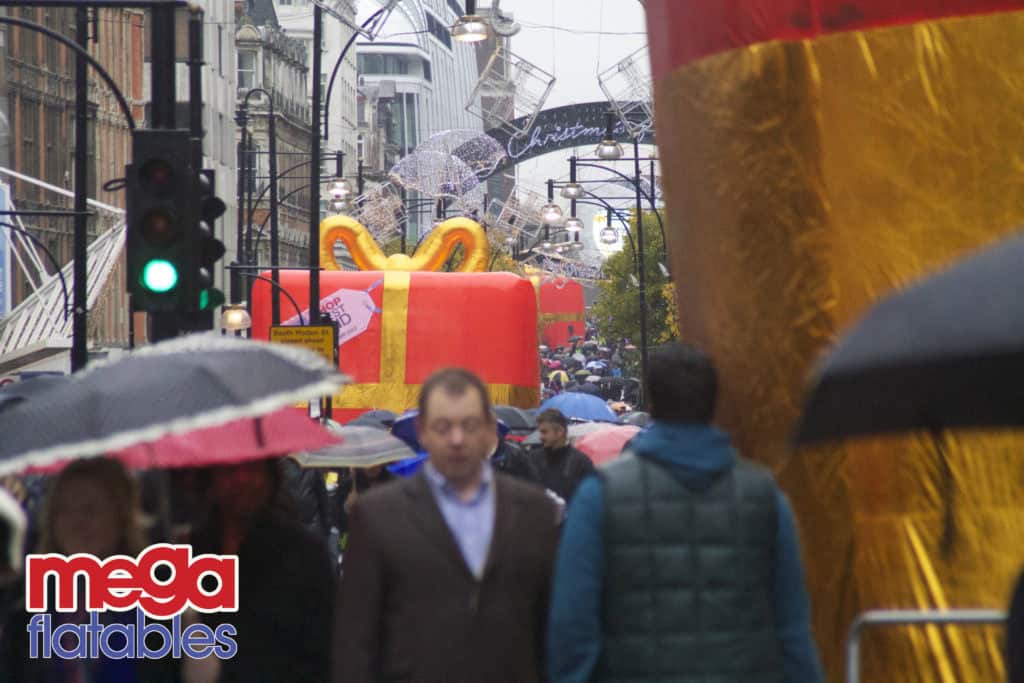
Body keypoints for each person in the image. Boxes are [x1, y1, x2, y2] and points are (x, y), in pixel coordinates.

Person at [548, 343, 824, 683]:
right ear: (714, 404)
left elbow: (572, 627)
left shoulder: (600, 495)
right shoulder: (764, 496)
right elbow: (793, 631)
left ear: (651, 404)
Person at [333, 368, 559, 683]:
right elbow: (356, 641)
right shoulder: (377, 516)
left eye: (468, 426)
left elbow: (552, 631)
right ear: (422, 431)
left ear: (489, 430)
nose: (456, 439)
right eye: (443, 427)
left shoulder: (535, 513)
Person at [0, 458, 179, 682]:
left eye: (90, 509)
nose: (77, 523)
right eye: (64, 510)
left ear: (120, 516)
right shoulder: (27, 611)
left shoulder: (161, 607)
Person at [189, 458, 334, 683]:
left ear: (270, 477)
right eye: (230, 469)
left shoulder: (304, 555)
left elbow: (324, 651)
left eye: (253, 468)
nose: (242, 479)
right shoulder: (190, 553)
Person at [529, 408, 595, 503]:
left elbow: (589, 500)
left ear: (559, 432)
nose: (540, 437)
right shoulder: (533, 458)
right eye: (540, 432)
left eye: (544, 432)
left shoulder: (581, 462)